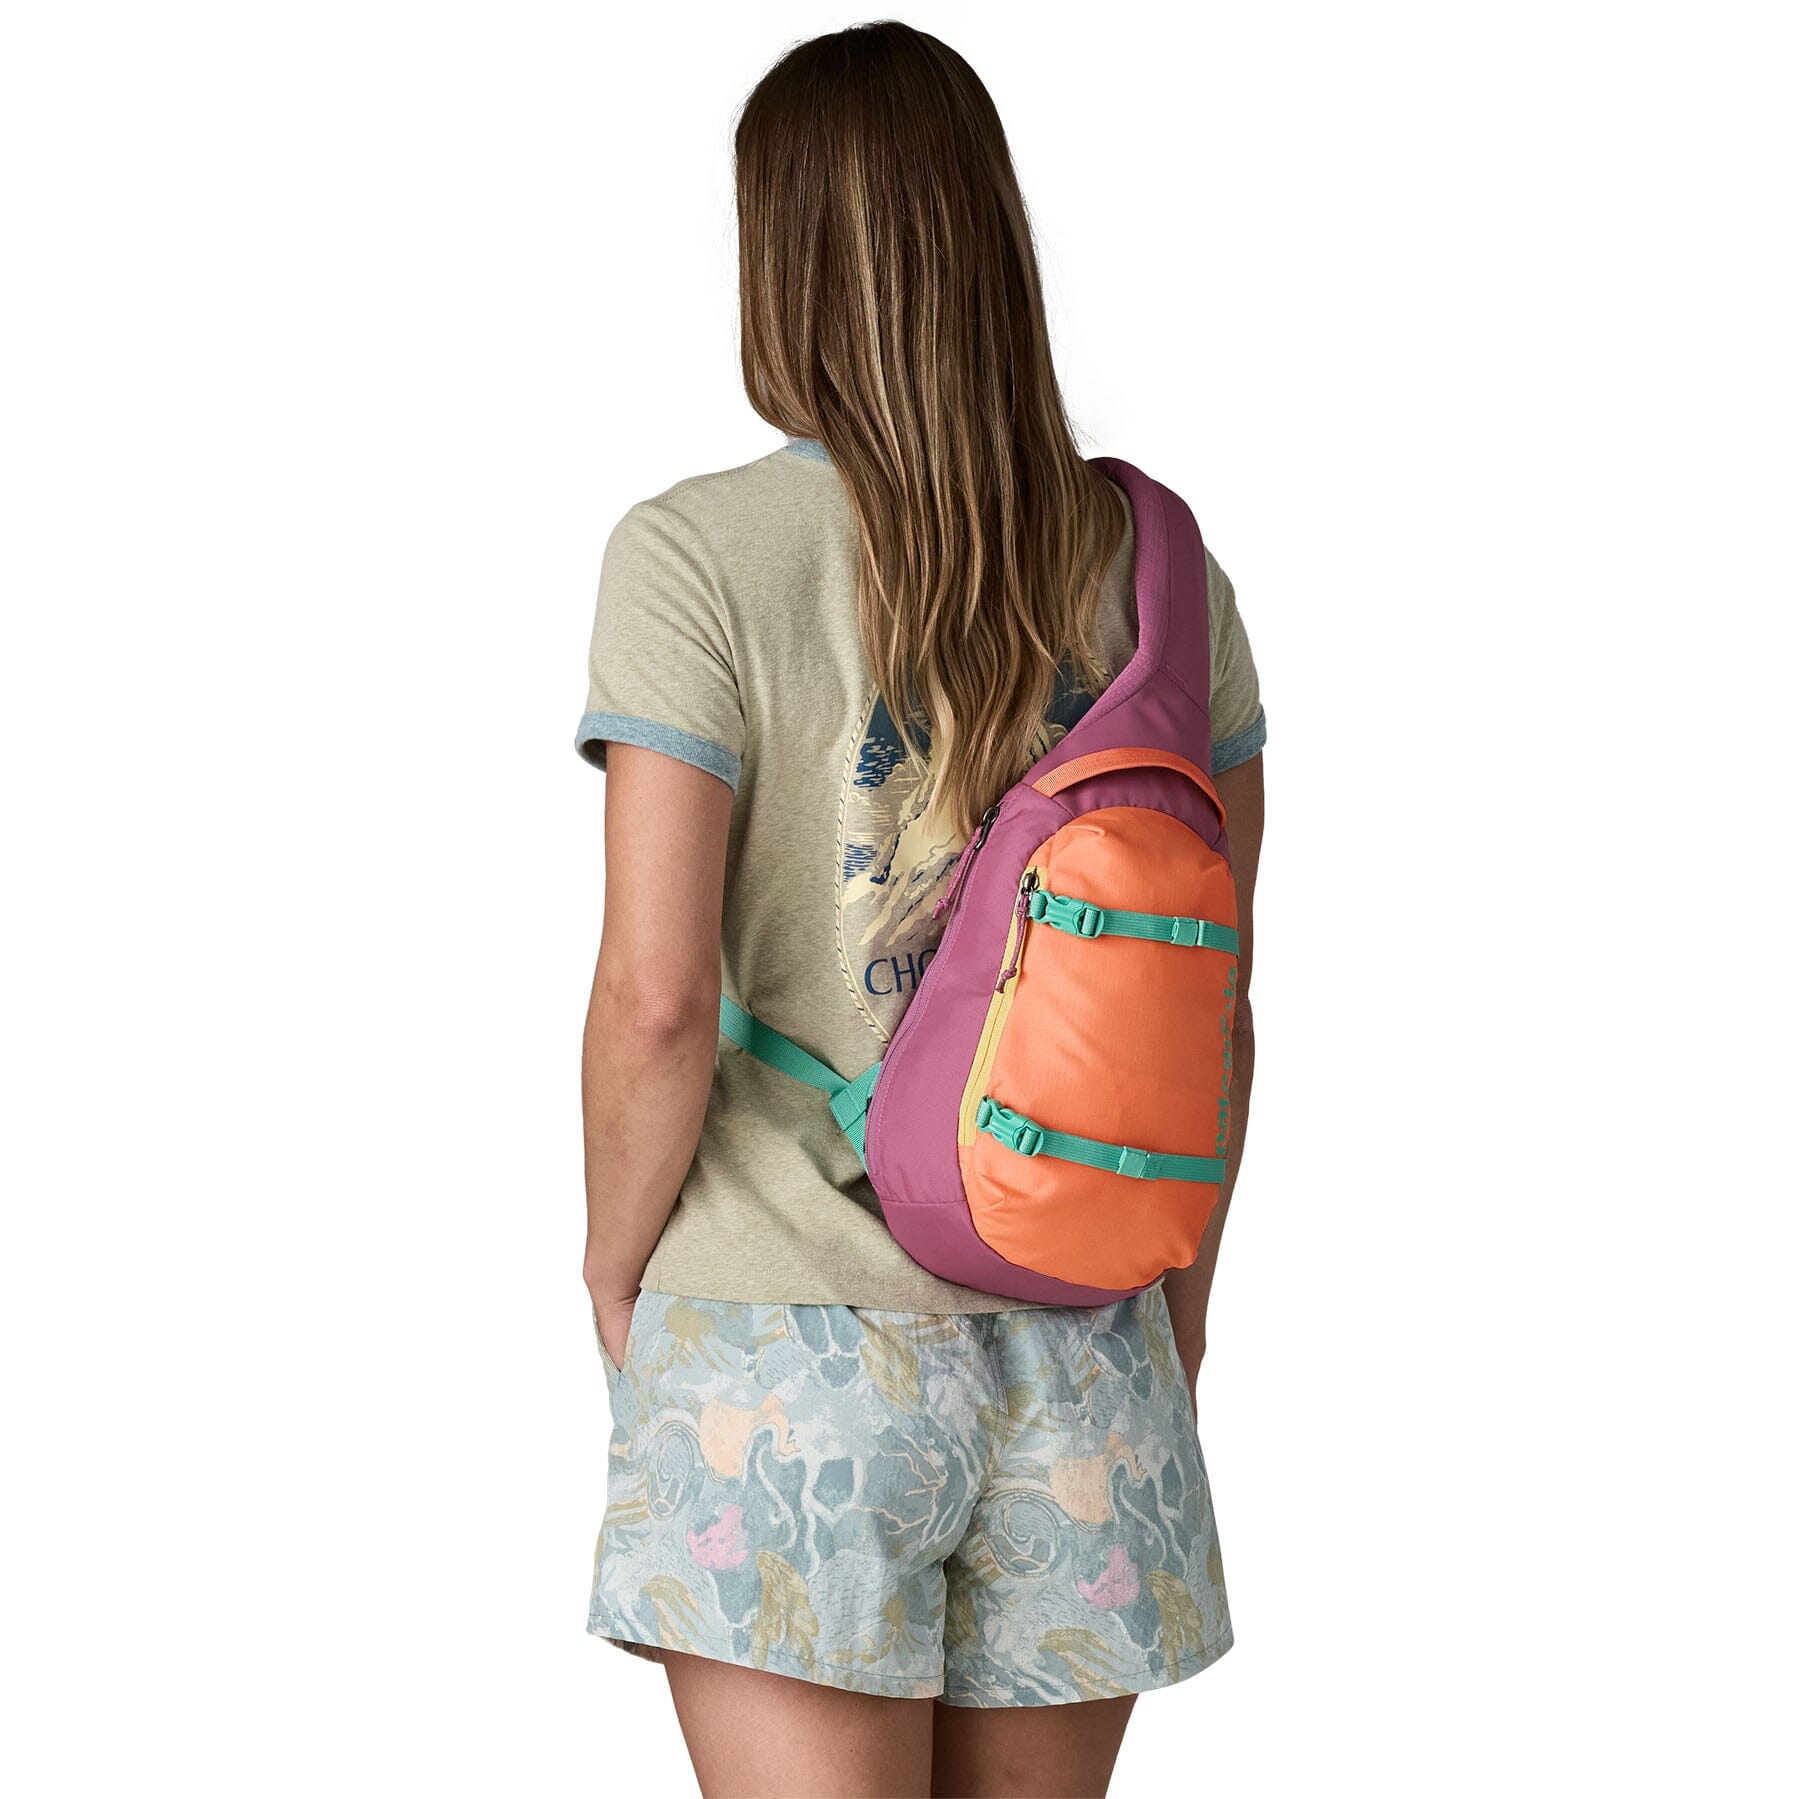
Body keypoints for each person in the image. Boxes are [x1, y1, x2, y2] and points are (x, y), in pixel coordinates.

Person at [576, 23, 1266, 1797]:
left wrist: (614, 1270)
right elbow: (1215, 1008)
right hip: (1086, 1337)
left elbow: (657, 998)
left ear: (779, 259)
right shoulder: (1158, 572)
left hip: (781, 1337)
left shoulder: (697, 556)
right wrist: (1176, 1326)